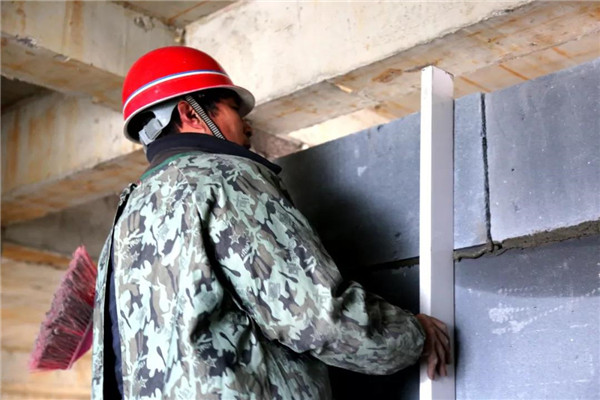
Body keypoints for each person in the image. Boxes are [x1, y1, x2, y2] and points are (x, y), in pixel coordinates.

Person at [91, 46, 450, 399]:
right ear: (190, 112)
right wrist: (412, 337)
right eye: (234, 109)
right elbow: (313, 315)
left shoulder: (126, 215)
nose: (247, 126)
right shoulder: (224, 177)